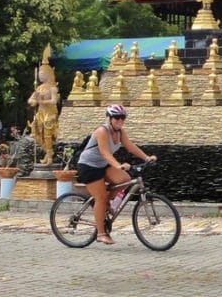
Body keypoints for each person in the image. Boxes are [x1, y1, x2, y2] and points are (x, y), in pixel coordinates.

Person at [77, 105, 157, 245]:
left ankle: (105, 205)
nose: (120, 120)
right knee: (101, 198)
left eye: (122, 118)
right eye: (117, 118)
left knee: (125, 179)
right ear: (110, 118)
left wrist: (146, 158)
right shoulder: (102, 131)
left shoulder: (120, 132)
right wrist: (118, 165)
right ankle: (101, 233)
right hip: (88, 166)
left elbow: (130, 146)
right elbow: (105, 153)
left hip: (103, 165)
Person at [27, 46, 59, 165]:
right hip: (40, 113)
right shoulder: (39, 88)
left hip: (50, 113)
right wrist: (34, 101)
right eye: (39, 74)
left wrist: (42, 102)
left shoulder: (52, 88)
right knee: (36, 133)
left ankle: (49, 155)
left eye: (43, 74)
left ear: (48, 74)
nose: (40, 76)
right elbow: (30, 100)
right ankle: (48, 152)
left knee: (47, 134)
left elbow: (54, 101)